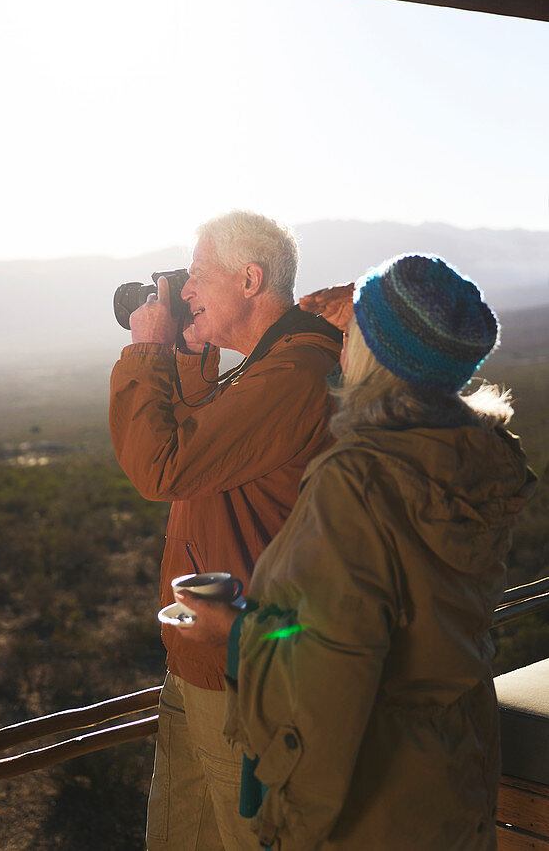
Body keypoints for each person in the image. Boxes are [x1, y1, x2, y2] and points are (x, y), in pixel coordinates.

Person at [177, 253, 536, 851]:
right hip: (454, 769)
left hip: (372, 801)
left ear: (372, 351)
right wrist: (374, 312)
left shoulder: (359, 479)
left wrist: (236, 630)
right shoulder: (476, 460)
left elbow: (331, 667)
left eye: (356, 331)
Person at [109, 210, 348, 851]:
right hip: (202, 658)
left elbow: (165, 465)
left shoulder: (294, 375)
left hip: (245, 671)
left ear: (249, 279)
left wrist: (149, 352)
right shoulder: (270, 365)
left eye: (196, 276)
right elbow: (203, 457)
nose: (184, 292)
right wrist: (188, 354)